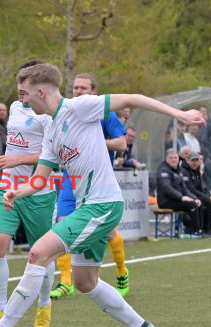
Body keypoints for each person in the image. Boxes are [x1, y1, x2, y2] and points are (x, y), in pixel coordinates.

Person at [0, 62, 204, 327]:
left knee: (39, 252)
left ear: (40, 91)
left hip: (102, 205)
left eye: (25, 93)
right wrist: (18, 191)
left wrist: (179, 114)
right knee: (84, 280)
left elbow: (131, 99)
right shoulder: (51, 129)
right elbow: (40, 178)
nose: (22, 100)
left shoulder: (79, 107)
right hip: (89, 206)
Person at [0, 60, 57, 327]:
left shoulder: (48, 115)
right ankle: (0, 307)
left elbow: (52, 155)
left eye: (25, 90)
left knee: (41, 253)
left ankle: (45, 304)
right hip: (8, 188)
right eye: (18, 88)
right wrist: (11, 165)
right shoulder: (14, 108)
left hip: (38, 192)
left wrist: (17, 160)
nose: (20, 94)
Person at [51, 73, 130, 300]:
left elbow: (122, 143)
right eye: (75, 88)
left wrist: (97, 143)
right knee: (62, 226)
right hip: (69, 179)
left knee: (109, 232)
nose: (78, 92)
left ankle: (122, 271)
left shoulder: (105, 113)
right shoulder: (66, 113)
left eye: (83, 88)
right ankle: (66, 281)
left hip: (96, 182)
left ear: (94, 91)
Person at [157, 149, 202, 235]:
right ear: (166, 159)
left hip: (176, 199)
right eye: (171, 158)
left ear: (178, 159)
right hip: (166, 201)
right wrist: (181, 197)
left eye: (175, 158)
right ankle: (196, 231)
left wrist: (194, 198)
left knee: (198, 202)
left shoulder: (179, 170)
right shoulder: (163, 171)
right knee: (191, 204)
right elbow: (167, 189)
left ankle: (200, 229)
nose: (173, 160)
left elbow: (185, 189)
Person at [181, 152, 211, 236]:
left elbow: (202, 187)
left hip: (197, 195)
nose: (195, 162)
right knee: (206, 201)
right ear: (188, 161)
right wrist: (207, 198)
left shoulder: (197, 170)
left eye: (196, 160)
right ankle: (204, 229)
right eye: (193, 160)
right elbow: (190, 189)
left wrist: (210, 196)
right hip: (188, 196)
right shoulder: (184, 171)